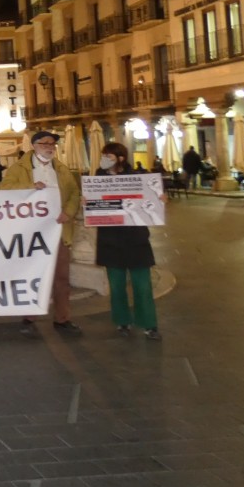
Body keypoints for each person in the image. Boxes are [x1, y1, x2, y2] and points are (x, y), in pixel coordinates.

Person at [0, 130, 82, 336]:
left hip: (58, 230)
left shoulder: (62, 169)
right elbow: (5, 189)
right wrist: (30, 186)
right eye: (45, 143)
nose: (50, 146)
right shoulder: (19, 168)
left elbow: (74, 193)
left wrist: (68, 212)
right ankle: (29, 317)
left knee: (62, 277)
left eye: (53, 144)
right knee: (32, 273)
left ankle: (63, 318)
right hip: (32, 231)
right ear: (34, 145)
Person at [94, 142, 162, 340]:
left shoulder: (137, 178)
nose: (104, 160)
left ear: (120, 158)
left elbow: (150, 201)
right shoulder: (97, 178)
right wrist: (88, 203)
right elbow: (95, 204)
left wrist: (159, 200)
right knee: (116, 286)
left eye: (109, 157)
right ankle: (122, 321)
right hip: (110, 241)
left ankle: (149, 324)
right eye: (103, 155)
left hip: (136, 239)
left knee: (143, 285)